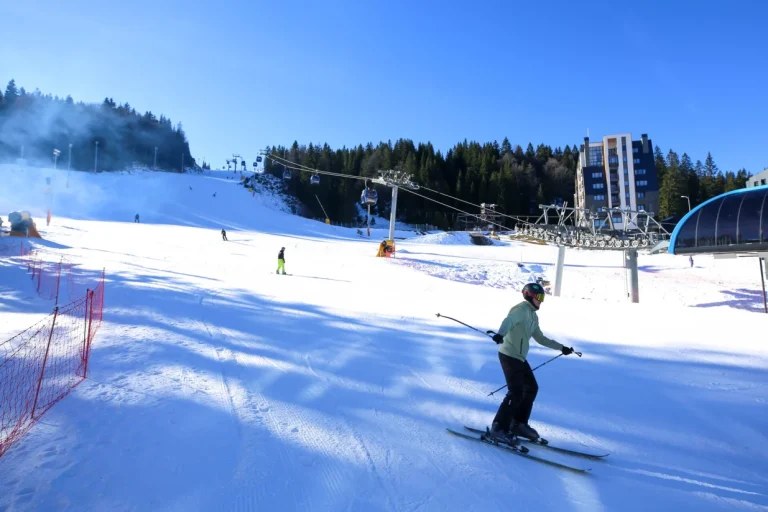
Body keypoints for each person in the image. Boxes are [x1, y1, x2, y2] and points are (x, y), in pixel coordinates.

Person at [488, 282, 575, 444]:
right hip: (509, 355)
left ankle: (518, 424)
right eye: (539, 297)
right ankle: (498, 428)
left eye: (543, 297)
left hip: (519, 357)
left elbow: (540, 338)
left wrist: (561, 347)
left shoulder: (533, 316)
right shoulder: (520, 310)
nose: (541, 301)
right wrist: (500, 334)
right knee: (515, 392)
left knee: (531, 388)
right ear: (529, 295)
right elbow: (508, 321)